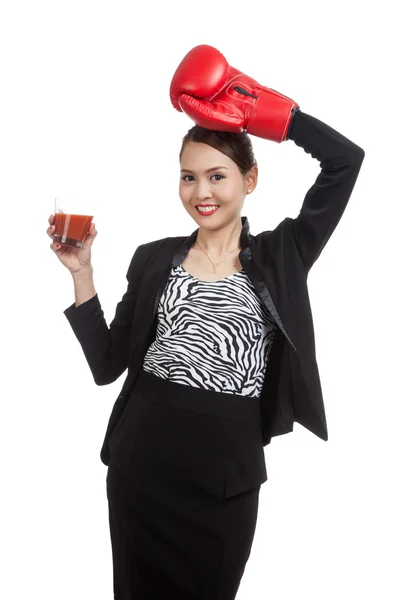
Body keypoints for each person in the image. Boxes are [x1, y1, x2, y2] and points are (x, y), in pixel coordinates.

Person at [47, 45, 365, 600]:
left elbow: (345, 161)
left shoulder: (281, 255)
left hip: (226, 477)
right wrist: (82, 274)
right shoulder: (153, 257)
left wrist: (268, 113)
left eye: (217, 176)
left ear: (250, 179)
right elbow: (107, 366)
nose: (202, 193)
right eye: (188, 178)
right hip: (141, 470)